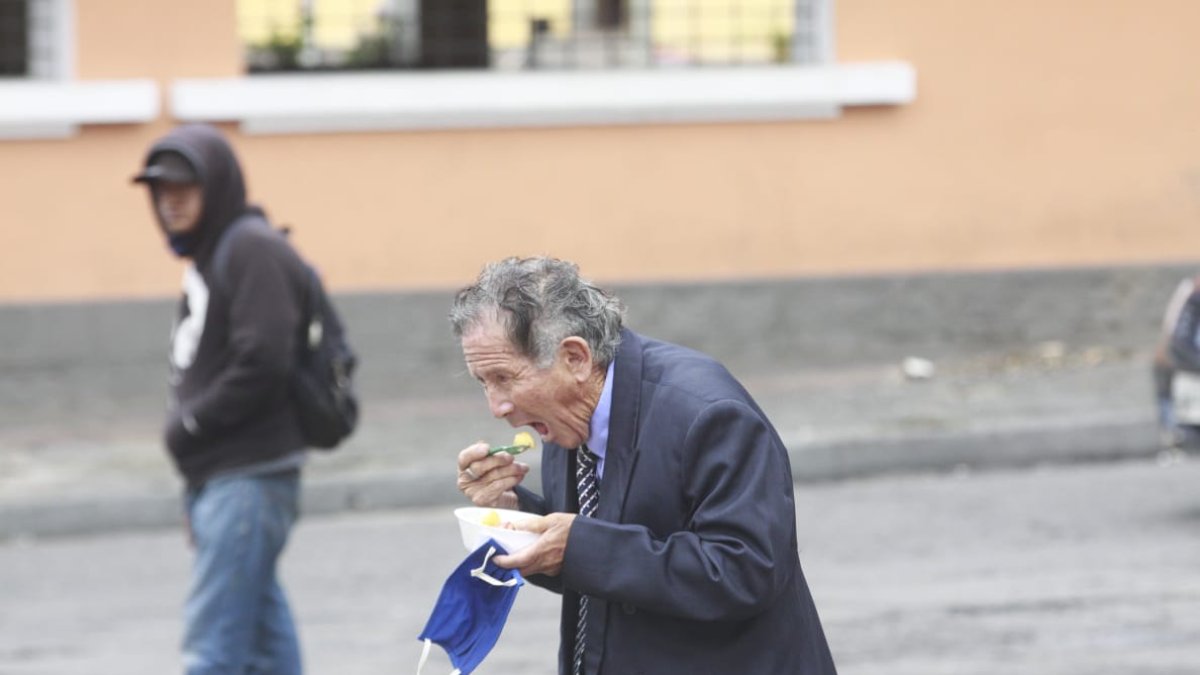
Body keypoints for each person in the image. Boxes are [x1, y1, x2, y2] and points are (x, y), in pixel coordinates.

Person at [450, 256, 837, 674]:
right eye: (483, 382)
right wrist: (514, 515)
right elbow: (596, 564)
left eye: (504, 378)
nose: (497, 407)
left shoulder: (708, 414)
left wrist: (579, 547)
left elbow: (745, 572)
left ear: (575, 358)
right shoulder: (566, 417)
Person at [133, 124, 311, 674]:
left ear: (218, 186)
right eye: (160, 190)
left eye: (185, 187)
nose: (171, 201)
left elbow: (264, 360)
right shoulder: (213, 256)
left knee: (212, 650)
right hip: (224, 479)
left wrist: (189, 429)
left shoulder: (249, 248)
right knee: (263, 638)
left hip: (247, 479)